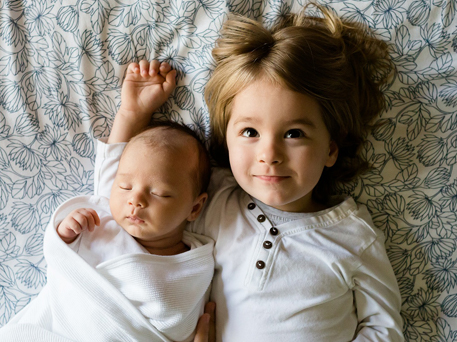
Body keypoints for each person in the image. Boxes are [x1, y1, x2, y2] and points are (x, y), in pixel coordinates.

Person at [93, 3, 404, 341]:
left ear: (330, 148)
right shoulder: (212, 203)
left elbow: (384, 328)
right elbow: (121, 200)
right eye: (250, 133)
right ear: (226, 141)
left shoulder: (353, 236)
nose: (269, 155)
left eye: (294, 134)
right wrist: (132, 115)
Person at [0, 62, 215, 342]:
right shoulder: (102, 218)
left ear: (195, 207)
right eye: (124, 186)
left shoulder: (195, 264)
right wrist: (133, 111)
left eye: (159, 193)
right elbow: (66, 267)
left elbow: (179, 323)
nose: (134, 199)